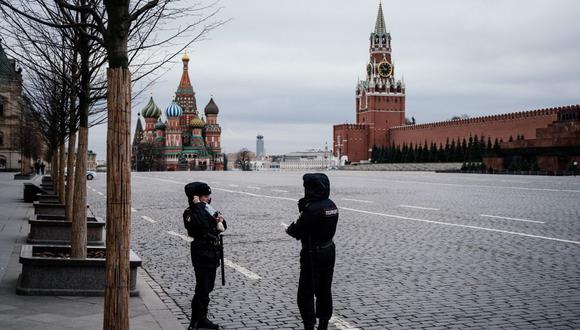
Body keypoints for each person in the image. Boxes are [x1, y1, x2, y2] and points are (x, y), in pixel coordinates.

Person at [286, 173, 339, 330]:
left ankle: (309, 325)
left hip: (312, 254)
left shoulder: (311, 209)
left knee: (305, 293)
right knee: (324, 290)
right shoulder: (332, 205)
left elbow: (297, 231)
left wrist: (300, 214)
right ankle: (324, 324)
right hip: (329, 250)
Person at [184, 182, 226, 330]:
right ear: (196, 197)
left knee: (208, 288)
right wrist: (199, 206)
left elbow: (224, 225)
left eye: (209, 196)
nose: (208, 198)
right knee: (201, 288)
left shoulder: (208, 208)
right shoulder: (190, 212)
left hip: (213, 252)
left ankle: (203, 318)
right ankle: (195, 321)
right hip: (201, 252)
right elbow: (200, 223)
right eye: (205, 196)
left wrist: (219, 220)